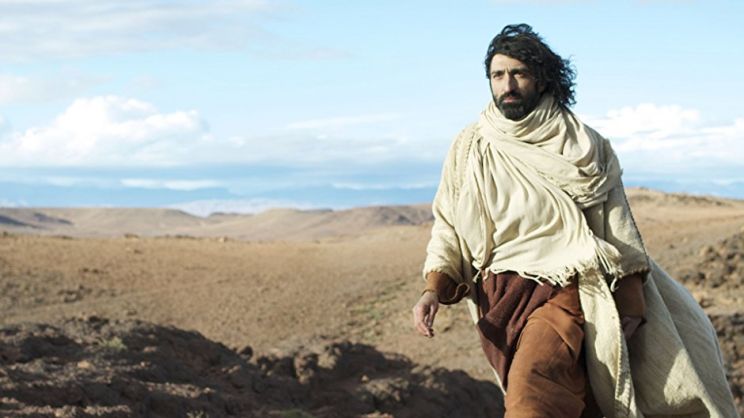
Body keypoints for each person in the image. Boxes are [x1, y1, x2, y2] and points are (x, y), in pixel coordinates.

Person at [412, 24, 737, 418]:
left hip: (565, 287)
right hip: (498, 298)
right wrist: (433, 289)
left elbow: (615, 224)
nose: (507, 85)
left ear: (541, 77)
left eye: (518, 73)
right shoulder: (471, 146)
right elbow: (448, 224)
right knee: (575, 404)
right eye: (498, 75)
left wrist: (631, 303)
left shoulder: (581, 143)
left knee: (532, 396)